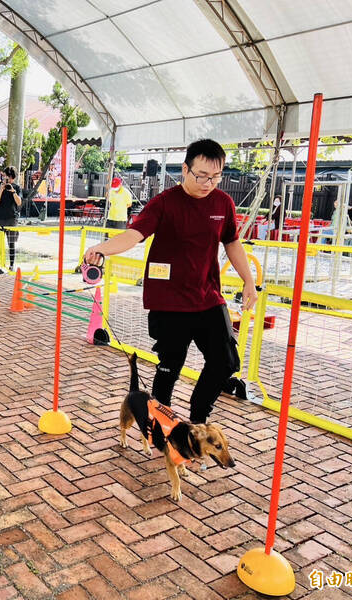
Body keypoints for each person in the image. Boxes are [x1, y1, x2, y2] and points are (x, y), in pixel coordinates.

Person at [84, 139, 257, 424]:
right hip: (169, 301)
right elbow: (134, 234)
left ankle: (198, 420)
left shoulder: (223, 203)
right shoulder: (165, 202)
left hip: (208, 298)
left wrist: (248, 281)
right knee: (170, 366)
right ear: (185, 170)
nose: (208, 183)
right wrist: (102, 249)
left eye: (215, 176)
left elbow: (232, 242)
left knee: (226, 361)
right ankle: (161, 424)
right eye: (201, 175)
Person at [0, 165, 22, 271]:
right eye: (4, 176)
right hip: (0, 217)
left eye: (9, 178)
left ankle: (11, 265)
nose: (6, 179)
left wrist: (13, 191)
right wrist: (1, 190)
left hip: (12, 218)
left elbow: (19, 202)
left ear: (13, 178)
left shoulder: (16, 187)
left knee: (11, 243)